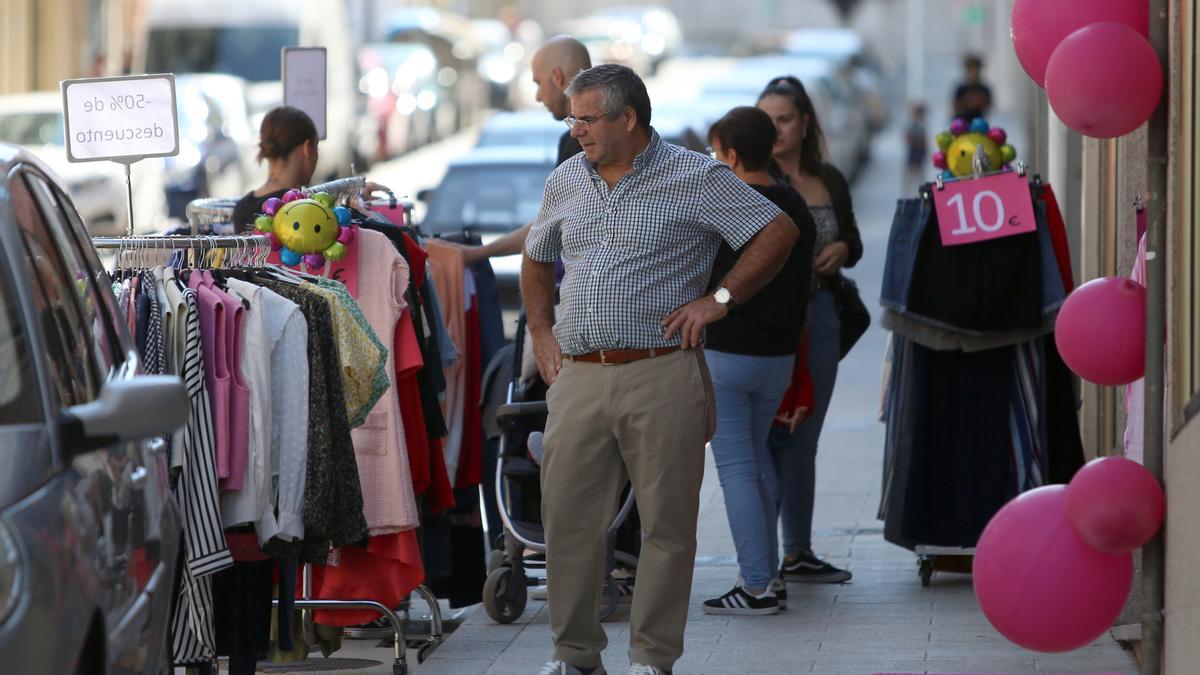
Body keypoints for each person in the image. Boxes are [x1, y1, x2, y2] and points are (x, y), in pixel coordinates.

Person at [525, 64, 799, 675]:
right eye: (572, 118)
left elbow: (776, 231)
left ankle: (652, 658)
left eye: (588, 118)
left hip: (664, 371)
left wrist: (719, 301)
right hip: (581, 374)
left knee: (667, 527)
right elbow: (537, 256)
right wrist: (542, 333)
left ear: (628, 119)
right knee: (566, 521)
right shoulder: (567, 177)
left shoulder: (695, 176)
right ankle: (574, 658)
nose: (576, 130)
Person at [699, 107, 817, 617]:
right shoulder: (794, 204)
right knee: (759, 462)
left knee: (738, 470)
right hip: (779, 357)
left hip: (728, 353)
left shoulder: (731, 205)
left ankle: (757, 586)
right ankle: (769, 576)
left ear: (729, 154)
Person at [757, 75, 862, 585]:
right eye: (766, 120)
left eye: (783, 119)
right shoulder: (752, 179)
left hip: (822, 316)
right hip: (770, 323)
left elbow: (854, 240)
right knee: (768, 437)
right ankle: (761, 559)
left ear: (804, 124)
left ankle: (796, 551)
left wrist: (841, 249)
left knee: (805, 436)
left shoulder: (828, 178)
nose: (774, 129)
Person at [456, 35, 592, 265]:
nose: (538, 96)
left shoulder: (577, 143)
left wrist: (476, 254)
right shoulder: (607, 136)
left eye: (538, 83)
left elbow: (548, 227)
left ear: (557, 77)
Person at [232, 106, 389, 232]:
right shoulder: (309, 210)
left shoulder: (241, 210)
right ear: (307, 148)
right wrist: (359, 205)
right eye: (317, 148)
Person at [952, 54, 993, 121]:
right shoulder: (961, 88)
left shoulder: (984, 89)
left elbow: (989, 106)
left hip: (978, 124)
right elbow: (955, 107)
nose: (974, 72)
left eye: (976, 69)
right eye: (971, 69)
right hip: (962, 125)